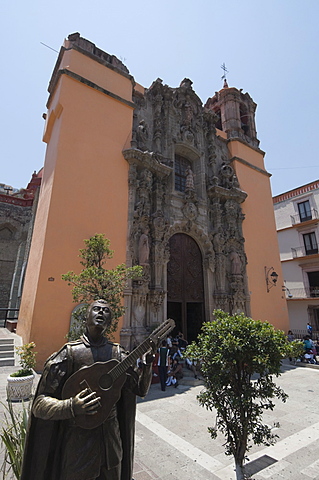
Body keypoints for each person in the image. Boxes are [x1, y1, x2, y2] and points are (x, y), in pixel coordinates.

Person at [21, 299, 154, 480]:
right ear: (85, 317)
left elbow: (139, 389)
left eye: (106, 311)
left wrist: (147, 366)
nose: (101, 313)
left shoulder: (118, 354)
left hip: (111, 446)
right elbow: (40, 403)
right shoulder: (69, 354)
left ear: (110, 321)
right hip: (77, 446)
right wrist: (70, 406)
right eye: (96, 309)